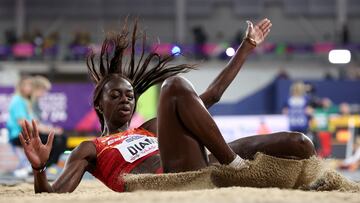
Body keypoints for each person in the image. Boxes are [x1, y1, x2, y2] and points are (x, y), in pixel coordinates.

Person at [19, 19, 315, 193]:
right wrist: (40, 168)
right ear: (98, 102)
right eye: (116, 95)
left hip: (203, 166)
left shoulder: (150, 129)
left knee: (299, 143)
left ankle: (302, 183)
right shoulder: (90, 148)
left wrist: (247, 46)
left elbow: (212, 94)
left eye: (130, 95)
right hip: (169, 180)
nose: (126, 99)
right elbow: (52, 194)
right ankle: (235, 166)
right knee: (173, 85)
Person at [30, 75, 67, 167]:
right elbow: (34, 124)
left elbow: (39, 122)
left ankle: (49, 164)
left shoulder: (35, 102)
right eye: (43, 90)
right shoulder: (29, 103)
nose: (44, 93)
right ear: (36, 88)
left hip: (36, 131)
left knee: (61, 137)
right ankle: (48, 164)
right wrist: (51, 130)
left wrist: (51, 129)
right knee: (58, 140)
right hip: (30, 133)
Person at [6, 76, 34, 178]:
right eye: (28, 85)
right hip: (18, 135)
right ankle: (32, 167)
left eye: (32, 85)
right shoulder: (18, 100)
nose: (31, 88)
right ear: (21, 87)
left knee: (53, 138)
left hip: (24, 134)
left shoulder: (25, 101)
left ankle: (32, 167)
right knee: (53, 140)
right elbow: (22, 123)